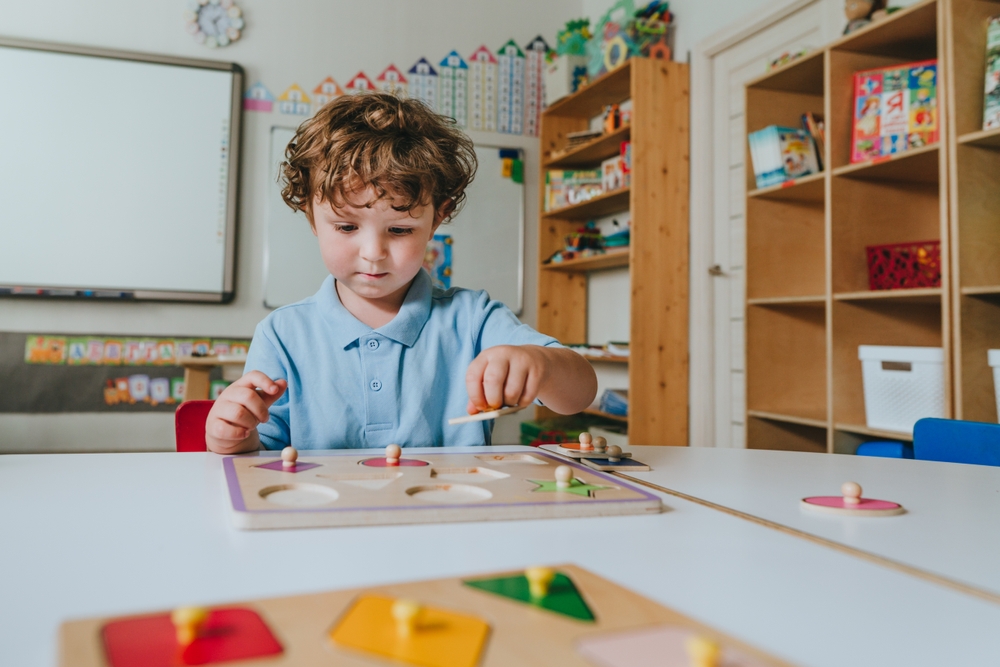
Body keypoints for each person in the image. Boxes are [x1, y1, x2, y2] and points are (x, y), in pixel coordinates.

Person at [206, 93, 597, 453]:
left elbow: (579, 393)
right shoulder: (282, 334)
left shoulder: (473, 318)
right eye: (346, 227)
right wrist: (231, 435)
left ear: (437, 219)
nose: (374, 253)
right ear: (312, 218)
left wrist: (542, 364)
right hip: (325, 524)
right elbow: (259, 457)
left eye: (400, 230)